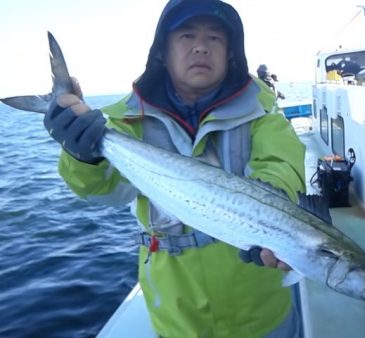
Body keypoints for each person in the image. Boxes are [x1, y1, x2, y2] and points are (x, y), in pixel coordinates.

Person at [43, 0, 306, 336]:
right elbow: (101, 192)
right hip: (177, 317)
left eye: (215, 38)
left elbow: (281, 166)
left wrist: (275, 220)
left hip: (261, 312)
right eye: (186, 36)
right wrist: (82, 156)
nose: (201, 46)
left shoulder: (263, 113)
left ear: (230, 55)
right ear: (163, 54)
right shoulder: (125, 120)